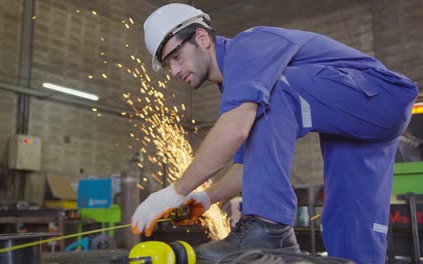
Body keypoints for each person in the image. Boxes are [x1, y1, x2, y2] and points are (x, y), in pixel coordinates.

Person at [131, 3, 418, 264]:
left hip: (382, 94)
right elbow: (247, 167)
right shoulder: (240, 88)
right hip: (359, 124)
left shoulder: (248, 47)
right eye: (168, 65)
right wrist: (206, 198)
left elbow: (234, 129)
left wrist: (176, 190)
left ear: (202, 38)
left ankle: (269, 226)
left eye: (177, 56)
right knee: (348, 227)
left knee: (271, 91)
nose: (174, 70)